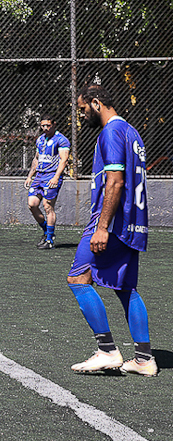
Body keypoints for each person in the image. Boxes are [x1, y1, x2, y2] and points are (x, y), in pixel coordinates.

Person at [67, 82, 155, 376]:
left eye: (82, 109)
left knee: (78, 279)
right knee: (125, 287)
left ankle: (107, 351)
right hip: (133, 222)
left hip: (112, 222)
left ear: (95, 103)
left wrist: (102, 227)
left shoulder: (112, 132)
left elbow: (115, 181)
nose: (82, 116)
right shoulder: (133, 132)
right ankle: (144, 359)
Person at [26, 116, 71, 250]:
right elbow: (36, 159)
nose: (45, 128)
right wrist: (30, 176)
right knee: (32, 204)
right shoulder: (40, 139)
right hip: (39, 176)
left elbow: (64, 160)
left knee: (47, 206)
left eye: (48, 125)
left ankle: (49, 240)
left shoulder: (61, 140)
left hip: (51, 176)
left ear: (54, 124)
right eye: (43, 126)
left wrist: (56, 177)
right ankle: (46, 231)